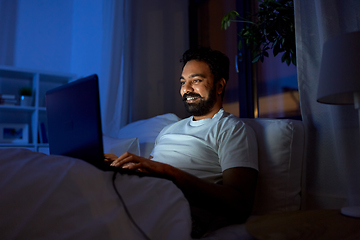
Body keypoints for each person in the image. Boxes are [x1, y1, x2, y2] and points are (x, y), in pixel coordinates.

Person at [105, 47, 258, 238]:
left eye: (196, 81)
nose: (186, 89)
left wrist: (167, 171)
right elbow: (152, 171)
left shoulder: (232, 129)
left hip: (178, 210)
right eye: (183, 82)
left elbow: (239, 204)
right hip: (143, 195)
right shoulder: (169, 129)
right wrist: (121, 167)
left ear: (219, 86)